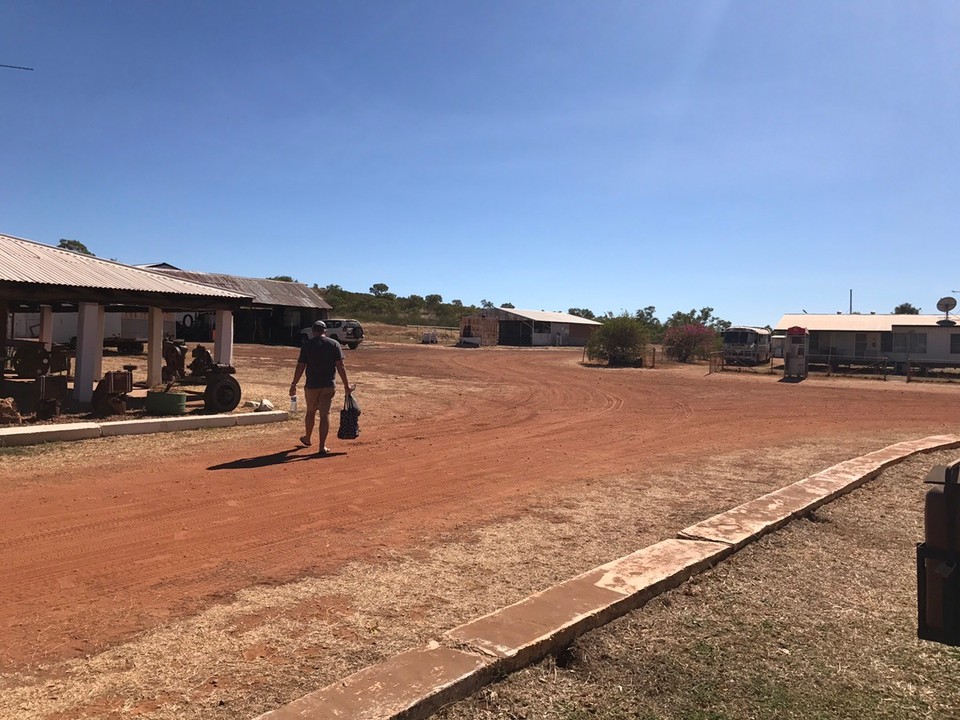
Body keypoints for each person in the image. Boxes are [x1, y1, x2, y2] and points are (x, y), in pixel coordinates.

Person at [290, 320, 352, 454]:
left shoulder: (307, 345)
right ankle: (322, 446)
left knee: (310, 412)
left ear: (313, 331)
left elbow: (301, 366)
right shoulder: (334, 344)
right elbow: (340, 366)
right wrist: (346, 385)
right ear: (325, 331)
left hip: (312, 385)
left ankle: (307, 437)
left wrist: (294, 383)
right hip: (328, 385)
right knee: (325, 415)